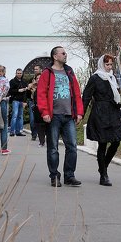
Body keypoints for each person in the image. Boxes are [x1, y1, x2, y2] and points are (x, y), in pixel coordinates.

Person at [36, 46, 83, 187]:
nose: (65, 55)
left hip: (69, 116)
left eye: (65, 53)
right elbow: (41, 94)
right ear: (55, 56)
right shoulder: (47, 73)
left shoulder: (69, 72)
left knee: (72, 147)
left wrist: (79, 112)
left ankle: (69, 176)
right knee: (53, 148)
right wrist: (44, 112)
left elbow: (76, 92)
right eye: (63, 53)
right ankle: (54, 176)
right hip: (53, 116)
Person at [82, 54, 121, 186]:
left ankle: (103, 166)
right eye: (107, 64)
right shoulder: (95, 78)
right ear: (102, 64)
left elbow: (117, 96)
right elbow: (86, 96)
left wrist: (119, 112)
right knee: (102, 143)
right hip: (100, 113)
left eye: (111, 64)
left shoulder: (112, 77)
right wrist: (80, 114)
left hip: (113, 112)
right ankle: (104, 175)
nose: (109, 67)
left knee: (116, 141)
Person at [27, 72, 46, 146]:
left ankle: (46, 139)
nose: (39, 79)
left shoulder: (46, 87)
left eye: (40, 78)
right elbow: (29, 97)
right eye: (37, 78)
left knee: (46, 125)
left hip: (45, 108)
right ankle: (41, 141)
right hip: (36, 108)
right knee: (38, 124)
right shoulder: (33, 88)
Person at [9, 68, 27, 136]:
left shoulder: (24, 81)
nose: (19, 74)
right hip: (15, 100)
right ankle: (12, 131)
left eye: (20, 73)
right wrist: (18, 90)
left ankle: (18, 131)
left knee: (20, 116)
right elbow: (10, 91)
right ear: (16, 73)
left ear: (22, 74)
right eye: (18, 73)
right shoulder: (12, 81)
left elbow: (25, 92)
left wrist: (25, 101)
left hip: (22, 101)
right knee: (15, 116)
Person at [26, 65, 43, 140]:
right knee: (32, 119)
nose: (35, 70)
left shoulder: (44, 79)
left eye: (37, 69)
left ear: (40, 70)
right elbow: (27, 91)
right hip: (32, 101)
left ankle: (42, 135)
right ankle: (34, 134)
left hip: (41, 101)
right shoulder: (31, 80)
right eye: (34, 69)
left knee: (41, 120)